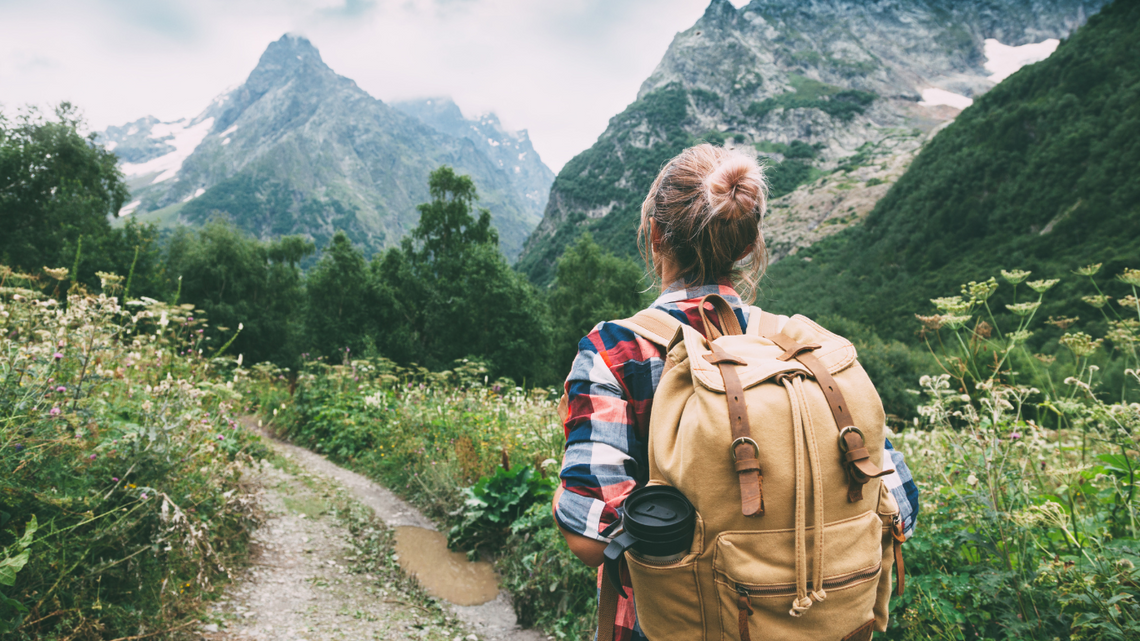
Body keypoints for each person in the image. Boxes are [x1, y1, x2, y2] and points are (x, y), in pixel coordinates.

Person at [551, 143, 919, 641]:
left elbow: (591, 535)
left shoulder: (618, 350)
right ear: (747, 245)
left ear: (656, 234)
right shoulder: (801, 349)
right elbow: (901, 505)